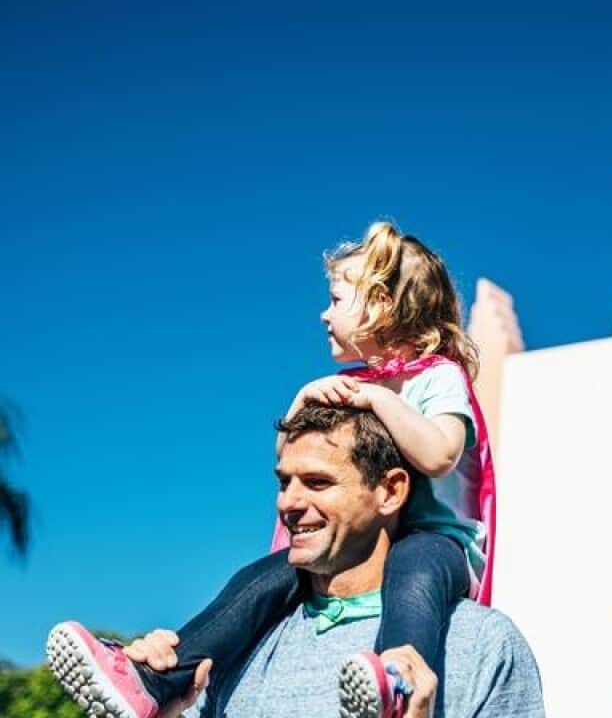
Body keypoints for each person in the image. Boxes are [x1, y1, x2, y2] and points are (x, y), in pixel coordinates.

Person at [47, 221, 494, 718]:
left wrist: (375, 400)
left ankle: (401, 682)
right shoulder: (352, 383)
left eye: (336, 299)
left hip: (440, 544)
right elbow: (290, 454)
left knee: (413, 571)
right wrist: (303, 397)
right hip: (381, 538)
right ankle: (159, 680)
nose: (324, 315)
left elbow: (438, 456)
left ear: (381, 305)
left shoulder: (439, 379)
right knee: (261, 578)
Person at [129, 402, 542, 717]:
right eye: (284, 482)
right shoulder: (244, 644)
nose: (288, 503)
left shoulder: (484, 644)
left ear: (390, 492)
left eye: (317, 482)